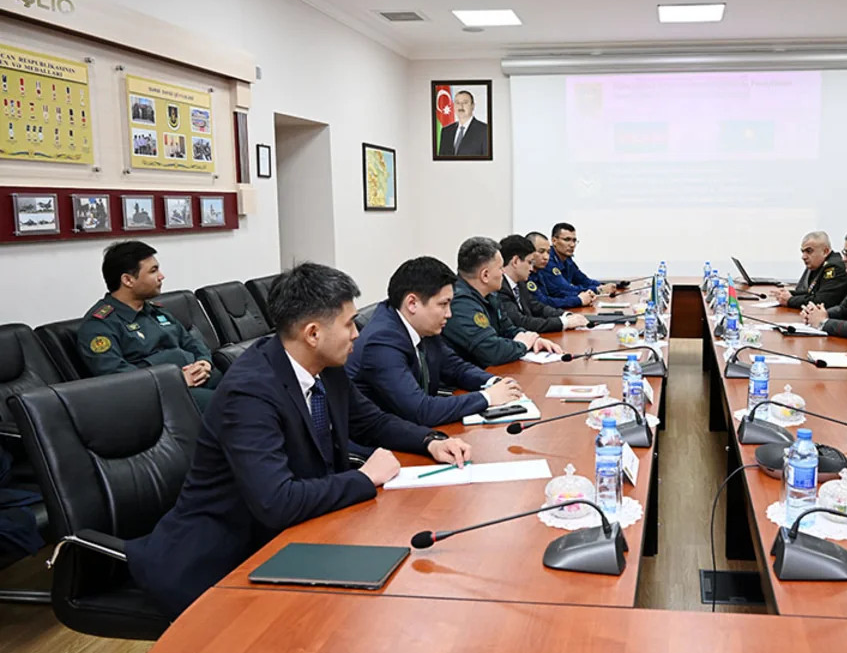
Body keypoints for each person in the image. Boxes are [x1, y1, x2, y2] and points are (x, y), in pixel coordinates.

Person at [125, 263, 471, 619]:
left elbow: (371, 421)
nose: (357, 334)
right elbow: (277, 501)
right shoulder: (250, 392)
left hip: (296, 538)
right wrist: (364, 478)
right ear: (313, 333)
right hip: (220, 564)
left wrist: (429, 441)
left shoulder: (326, 367)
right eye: (349, 324)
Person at [346, 256, 525, 426]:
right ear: (412, 303)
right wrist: (488, 397)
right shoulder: (381, 342)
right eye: (443, 304)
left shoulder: (423, 326)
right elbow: (420, 410)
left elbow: (455, 368)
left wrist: (494, 382)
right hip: (383, 440)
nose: (449, 314)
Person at [77, 240, 222, 411]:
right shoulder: (99, 325)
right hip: (161, 395)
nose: (161, 276)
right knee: (229, 406)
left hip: (198, 378)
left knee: (245, 387)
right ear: (128, 280)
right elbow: (116, 376)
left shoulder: (155, 311)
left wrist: (203, 362)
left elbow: (191, 342)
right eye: (153, 271)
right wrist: (174, 380)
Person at [443, 237, 561, 368]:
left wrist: (533, 340)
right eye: (500, 268)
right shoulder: (460, 303)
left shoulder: (490, 294)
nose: (503, 272)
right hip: (467, 378)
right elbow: (492, 351)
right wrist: (522, 345)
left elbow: (508, 329)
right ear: (485, 275)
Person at [497, 235, 589, 333]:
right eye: (529, 262)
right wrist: (563, 322)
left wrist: (566, 315)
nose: (531, 268)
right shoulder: (500, 287)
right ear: (515, 261)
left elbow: (537, 307)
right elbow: (520, 322)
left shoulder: (520, 284)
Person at [771, 230, 847, 308]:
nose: (803, 257)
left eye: (809, 251)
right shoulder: (819, 264)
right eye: (803, 252)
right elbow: (812, 292)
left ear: (825, 251)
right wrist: (789, 293)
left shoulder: (834, 267)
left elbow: (822, 301)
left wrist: (790, 300)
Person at [526, 230, 596, 309]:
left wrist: (585, 294)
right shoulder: (526, 276)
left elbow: (557, 292)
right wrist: (578, 300)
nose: (546, 257)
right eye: (541, 252)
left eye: (548, 252)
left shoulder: (539, 271)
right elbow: (543, 303)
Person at [546, 222, 617, 297]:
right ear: (554, 241)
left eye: (574, 240)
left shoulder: (567, 260)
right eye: (567, 240)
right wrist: (598, 290)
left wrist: (603, 286)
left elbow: (584, 280)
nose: (572, 245)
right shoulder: (547, 260)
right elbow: (564, 289)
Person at [437, 90, 489, 156]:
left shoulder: (485, 130)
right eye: (457, 103)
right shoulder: (446, 131)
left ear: (473, 106)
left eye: (465, 102)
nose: (461, 106)